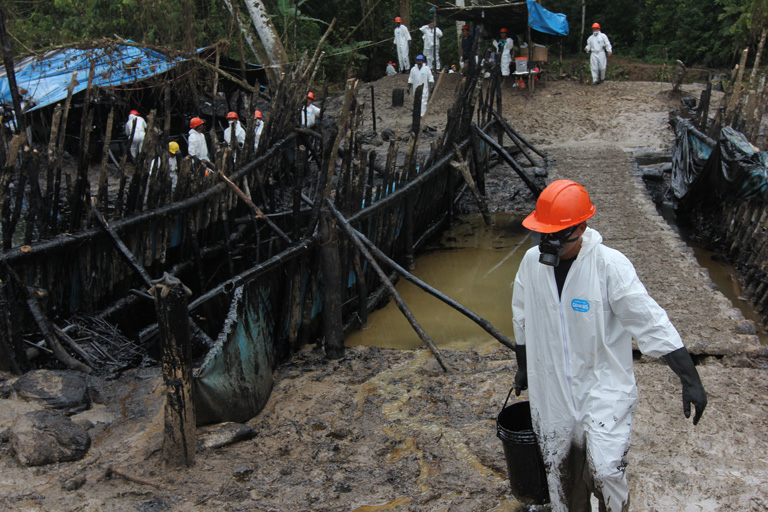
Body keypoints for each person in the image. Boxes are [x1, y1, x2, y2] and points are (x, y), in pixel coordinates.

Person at [511, 180, 707, 512]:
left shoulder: (608, 266)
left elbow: (650, 321)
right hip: (553, 388)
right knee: (560, 470)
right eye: (544, 233)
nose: (549, 242)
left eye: (557, 235)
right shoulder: (531, 263)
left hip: (603, 386)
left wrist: (690, 380)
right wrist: (523, 367)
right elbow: (522, 316)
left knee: (604, 470)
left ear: (581, 228)